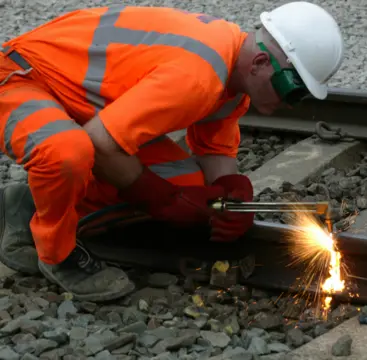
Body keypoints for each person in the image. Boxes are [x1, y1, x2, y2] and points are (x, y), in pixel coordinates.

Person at [0, 1, 345, 302]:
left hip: (81, 106)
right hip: (21, 78)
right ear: (258, 63)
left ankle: (27, 205)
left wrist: (231, 195)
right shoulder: (197, 77)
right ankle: (58, 254)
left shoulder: (231, 76)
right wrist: (160, 199)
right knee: (69, 152)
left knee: (189, 183)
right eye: (290, 90)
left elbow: (214, 148)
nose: (289, 104)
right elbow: (100, 145)